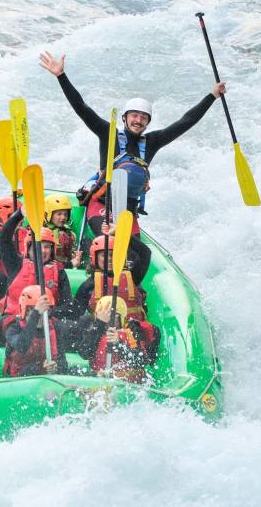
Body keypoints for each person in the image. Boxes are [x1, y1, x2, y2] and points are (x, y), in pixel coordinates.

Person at [39, 50, 226, 236]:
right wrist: (61, 76)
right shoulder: (108, 133)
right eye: (134, 115)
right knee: (108, 242)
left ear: (148, 122)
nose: (138, 120)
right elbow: (82, 108)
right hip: (102, 204)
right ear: (125, 118)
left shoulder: (152, 142)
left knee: (141, 257)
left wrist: (212, 96)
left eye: (144, 117)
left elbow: (185, 121)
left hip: (128, 212)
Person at [0, 207, 73, 332]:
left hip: (45, 321)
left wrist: (48, 312)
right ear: (28, 248)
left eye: (47, 247)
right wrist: (20, 214)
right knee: (0, 326)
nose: (43, 251)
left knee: (69, 327)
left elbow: (68, 306)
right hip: (16, 321)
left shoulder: (59, 272)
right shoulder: (15, 264)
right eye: (38, 247)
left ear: (52, 250)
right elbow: (3, 238)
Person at [72, 225, 151, 321]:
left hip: (132, 334)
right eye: (104, 255)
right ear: (95, 258)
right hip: (104, 333)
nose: (109, 258)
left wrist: (120, 232)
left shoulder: (133, 277)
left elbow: (145, 253)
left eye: (114, 255)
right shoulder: (88, 286)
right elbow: (75, 316)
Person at [73, 296, 160, 383]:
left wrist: (119, 344)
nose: (107, 321)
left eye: (112, 317)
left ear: (122, 318)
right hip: (101, 378)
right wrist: (100, 323)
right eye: (102, 316)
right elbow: (84, 353)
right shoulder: (95, 330)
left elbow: (141, 361)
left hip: (127, 381)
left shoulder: (132, 331)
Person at [3, 286, 69, 377]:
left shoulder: (55, 329)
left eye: (44, 312)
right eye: (31, 310)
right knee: (33, 369)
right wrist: (36, 313)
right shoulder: (13, 329)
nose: (41, 316)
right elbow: (22, 346)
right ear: (24, 311)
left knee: (74, 370)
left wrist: (56, 367)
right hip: (19, 379)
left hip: (45, 378)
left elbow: (64, 364)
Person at [44, 193, 82, 269]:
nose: (63, 217)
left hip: (65, 265)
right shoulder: (43, 234)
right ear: (48, 215)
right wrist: (71, 264)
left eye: (65, 214)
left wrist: (76, 257)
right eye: (59, 214)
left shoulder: (69, 233)